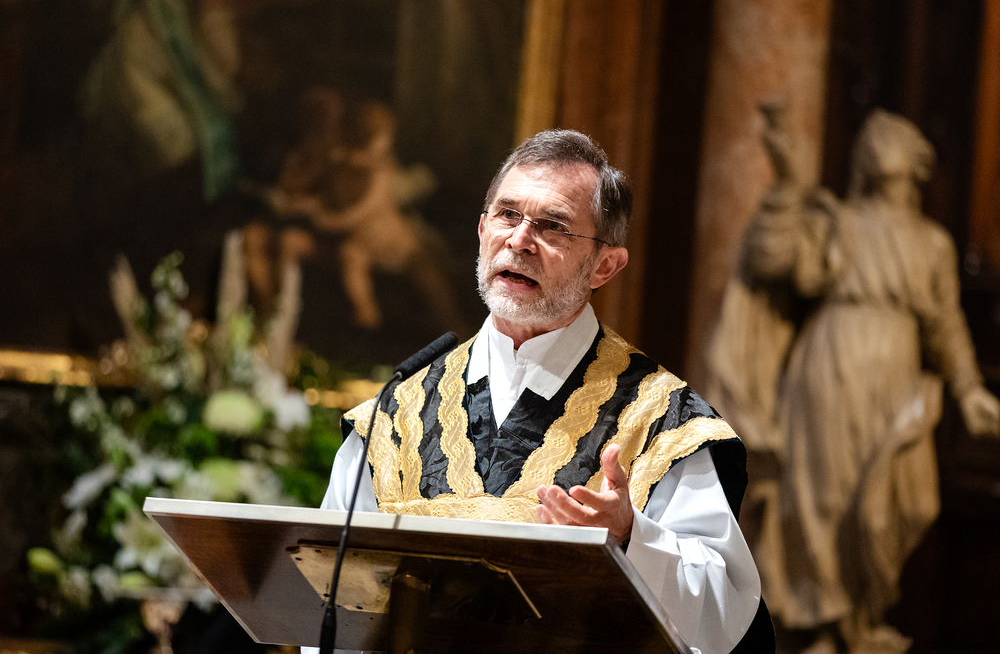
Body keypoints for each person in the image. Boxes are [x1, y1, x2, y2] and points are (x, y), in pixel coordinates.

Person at [308, 129, 771, 654]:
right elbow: (326, 599)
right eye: (507, 215)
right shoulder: (394, 417)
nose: (520, 240)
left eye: (553, 226)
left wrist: (631, 537)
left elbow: (723, 617)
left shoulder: (664, 422)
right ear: (482, 230)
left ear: (605, 266)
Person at [707, 108, 1000, 654]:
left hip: (897, 375)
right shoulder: (835, 222)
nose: (880, 143)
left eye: (893, 138)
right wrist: (788, 184)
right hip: (829, 367)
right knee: (825, 496)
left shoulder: (932, 242)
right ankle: (830, 628)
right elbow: (774, 260)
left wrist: (968, 389)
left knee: (909, 503)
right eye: (873, 138)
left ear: (917, 162)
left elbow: (946, 324)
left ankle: (865, 616)